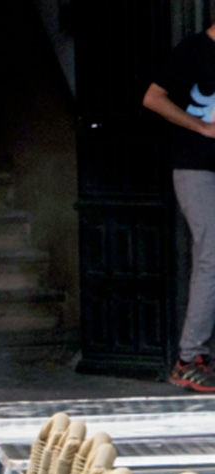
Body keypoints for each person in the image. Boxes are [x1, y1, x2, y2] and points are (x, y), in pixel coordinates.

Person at [146, 19, 215, 392]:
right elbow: (153, 97)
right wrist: (200, 127)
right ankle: (189, 358)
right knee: (212, 255)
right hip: (197, 167)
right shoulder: (194, 49)